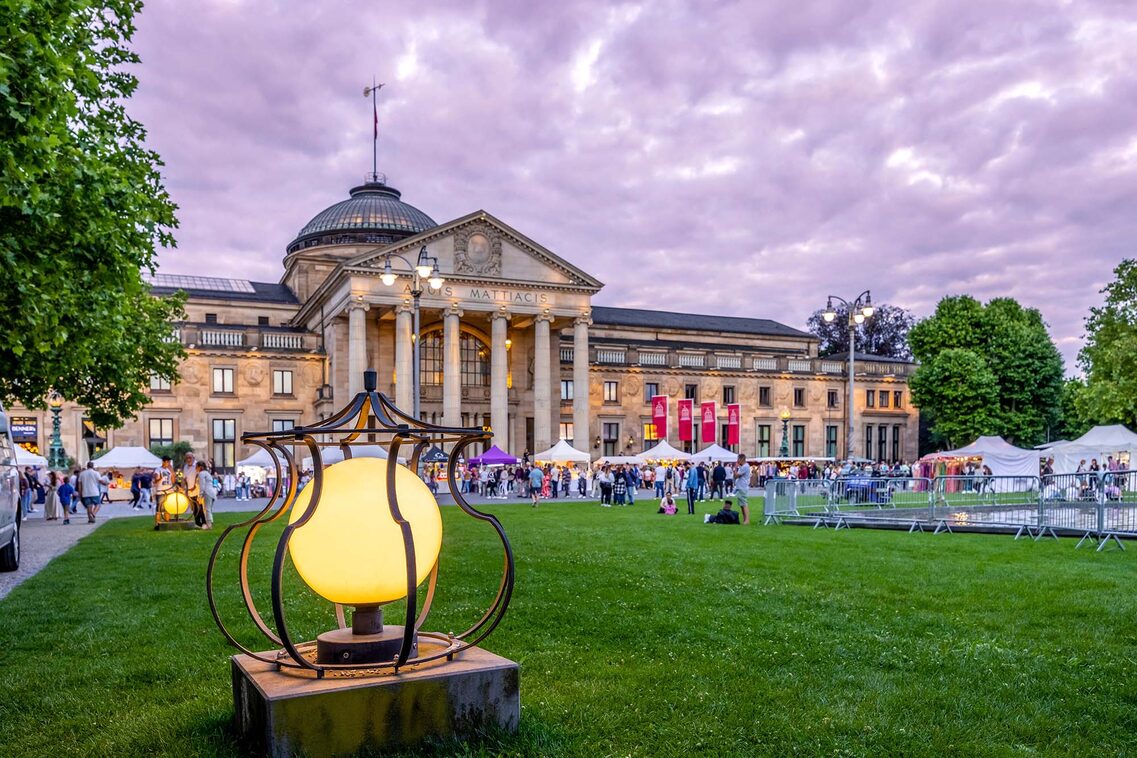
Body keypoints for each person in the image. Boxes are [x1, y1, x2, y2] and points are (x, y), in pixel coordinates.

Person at [196, 461, 216, 529]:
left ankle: (209, 524)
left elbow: (202, 485)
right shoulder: (207, 473)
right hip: (212, 492)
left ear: (200, 467)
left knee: (207, 509)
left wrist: (200, 495)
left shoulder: (201, 474)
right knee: (209, 509)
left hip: (207, 492)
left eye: (197, 467)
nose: (196, 468)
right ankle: (210, 523)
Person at [734, 453, 752, 525]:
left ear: (741, 459)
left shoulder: (745, 466)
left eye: (738, 459)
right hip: (740, 486)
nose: (737, 461)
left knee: (744, 504)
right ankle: (745, 519)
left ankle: (747, 520)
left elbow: (736, 475)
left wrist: (735, 468)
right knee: (741, 504)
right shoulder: (743, 467)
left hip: (743, 487)